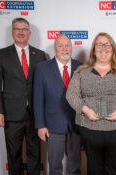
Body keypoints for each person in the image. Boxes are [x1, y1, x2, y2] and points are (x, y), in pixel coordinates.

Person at [66, 32, 116, 175]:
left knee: (114, 168)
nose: (103, 48)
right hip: (90, 129)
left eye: (107, 44)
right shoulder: (81, 71)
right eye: (99, 44)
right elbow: (71, 94)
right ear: (94, 49)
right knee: (94, 169)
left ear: (113, 48)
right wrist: (84, 109)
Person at [0, 17, 46, 175]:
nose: (21, 32)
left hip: (35, 114)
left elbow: (44, 86)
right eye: (17, 29)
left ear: (29, 33)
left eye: (24, 29)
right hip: (11, 114)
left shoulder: (40, 55)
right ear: (13, 32)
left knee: (35, 152)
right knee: (14, 154)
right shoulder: (1, 55)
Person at [33, 34, 82, 175]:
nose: (64, 49)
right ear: (55, 48)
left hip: (76, 124)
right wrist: (40, 125)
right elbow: (38, 99)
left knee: (75, 164)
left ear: (71, 49)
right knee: (54, 166)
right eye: (60, 45)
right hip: (52, 124)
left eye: (67, 45)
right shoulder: (42, 69)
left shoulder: (80, 67)